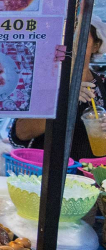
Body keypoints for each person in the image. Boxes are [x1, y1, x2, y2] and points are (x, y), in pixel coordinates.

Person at [11, 17, 106, 158]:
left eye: (79, 38)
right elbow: (21, 133)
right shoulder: (44, 84)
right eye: (64, 39)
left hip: (94, 175)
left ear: (96, 46)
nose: (70, 46)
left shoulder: (103, 84)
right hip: (47, 174)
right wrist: (63, 99)